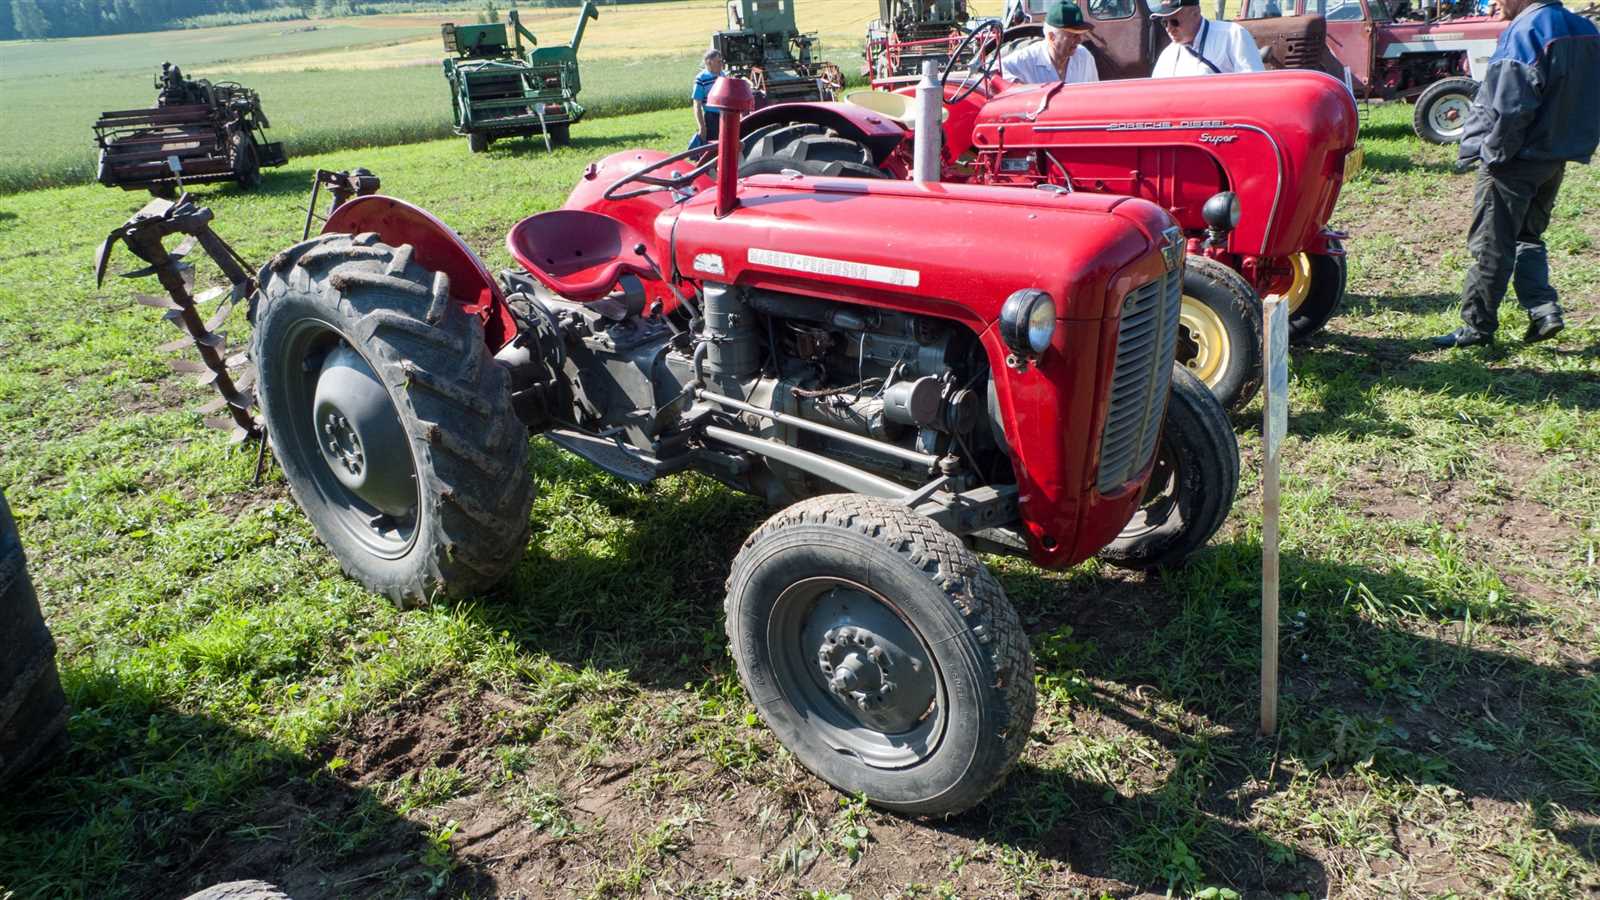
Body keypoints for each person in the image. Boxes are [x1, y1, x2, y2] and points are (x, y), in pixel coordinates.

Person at [1430, 0, 1599, 348]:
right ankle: (1543, 310)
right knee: (1527, 236)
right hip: (1555, 157)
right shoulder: (1586, 30)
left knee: (1491, 244)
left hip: (1515, 159)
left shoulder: (1526, 32)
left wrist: (1494, 156)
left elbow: (1510, 105)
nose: (1492, 2)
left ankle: (1477, 329)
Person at [1147, 0, 1265, 78]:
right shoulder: (1168, 55)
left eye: (1174, 22)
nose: (1169, 29)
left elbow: (1253, 87)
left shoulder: (1232, 35)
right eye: (1164, 23)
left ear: (1196, 13)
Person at [1001, 0, 1100, 84]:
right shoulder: (1027, 59)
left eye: (1081, 34)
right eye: (1073, 35)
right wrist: (1018, 87)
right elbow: (994, 71)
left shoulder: (1085, 57)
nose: (1079, 40)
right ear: (1051, 37)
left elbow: (1095, 95)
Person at [690, 49, 725, 150]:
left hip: (724, 115)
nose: (721, 64)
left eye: (721, 61)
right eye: (718, 61)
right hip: (712, 118)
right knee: (714, 147)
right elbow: (697, 105)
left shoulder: (722, 75)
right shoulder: (701, 79)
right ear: (709, 62)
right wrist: (702, 127)